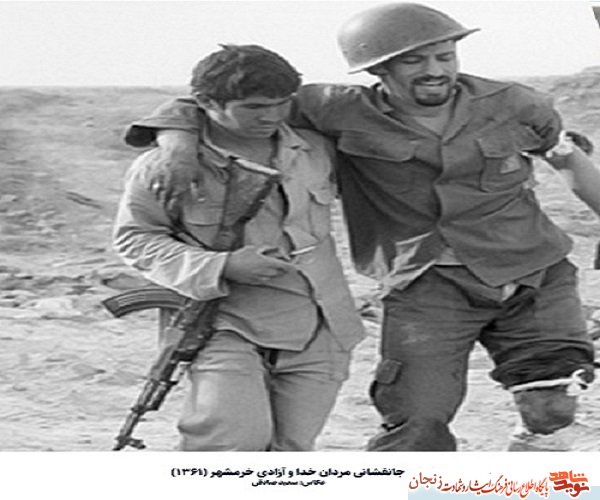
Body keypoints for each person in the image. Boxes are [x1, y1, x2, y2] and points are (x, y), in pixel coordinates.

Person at [122, 3, 600, 451]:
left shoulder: (514, 103)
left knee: (551, 406)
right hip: (426, 284)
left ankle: (530, 465)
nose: (435, 70)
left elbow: (565, 156)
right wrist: (177, 144)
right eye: (413, 61)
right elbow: (222, 101)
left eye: (444, 56)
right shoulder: (333, 109)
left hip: (533, 273)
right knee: (416, 425)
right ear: (378, 69)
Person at [112, 44, 365, 451]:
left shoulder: (315, 149)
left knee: (290, 452)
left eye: (281, 104)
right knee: (229, 444)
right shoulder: (167, 167)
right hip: (222, 323)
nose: (272, 116)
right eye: (254, 108)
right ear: (207, 102)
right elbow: (136, 238)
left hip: (319, 323)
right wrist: (222, 265)